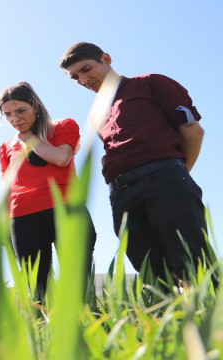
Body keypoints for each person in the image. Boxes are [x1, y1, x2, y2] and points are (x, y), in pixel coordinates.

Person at [59, 42, 215, 287]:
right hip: (121, 195)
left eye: (87, 69)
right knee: (151, 272)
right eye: (75, 77)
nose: (83, 79)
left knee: (192, 262)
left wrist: (176, 175)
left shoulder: (150, 83)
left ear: (106, 59)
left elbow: (193, 132)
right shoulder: (96, 113)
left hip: (164, 179)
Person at [0, 82, 96, 298]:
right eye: (8, 115)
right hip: (23, 218)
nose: (15, 119)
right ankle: (42, 330)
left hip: (67, 209)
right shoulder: (6, 147)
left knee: (78, 286)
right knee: (37, 290)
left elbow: (61, 158)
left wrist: (29, 139)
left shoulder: (62, 126)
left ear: (36, 106)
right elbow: (8, 187)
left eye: (21, 111)